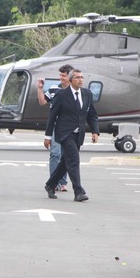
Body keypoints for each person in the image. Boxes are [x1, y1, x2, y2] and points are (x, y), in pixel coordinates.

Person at [43, 68, 99, 202]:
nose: (80, 80)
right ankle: (78, 191)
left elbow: (92, 114)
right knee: (74, 160)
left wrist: (95, 131)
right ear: (70, 80)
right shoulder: (61, 95)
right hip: (64, 133)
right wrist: (48, 136)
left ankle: (50, 184)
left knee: (65, 162)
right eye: (77, 77)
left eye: (82, 77)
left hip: (78, 134)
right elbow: (52, 116)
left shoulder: (87, 94)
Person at [37, 64, 74, 192]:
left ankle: (63, 182)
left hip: (69, 127)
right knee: (55, 154)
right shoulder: (54, 89)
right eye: (60, 75)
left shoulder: (74, 91)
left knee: (66, 155)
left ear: (70, 76)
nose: (61, 78)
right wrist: (40, 89)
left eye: (64, 75)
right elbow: (42, 102)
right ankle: (54, 182)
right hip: (55, 126)